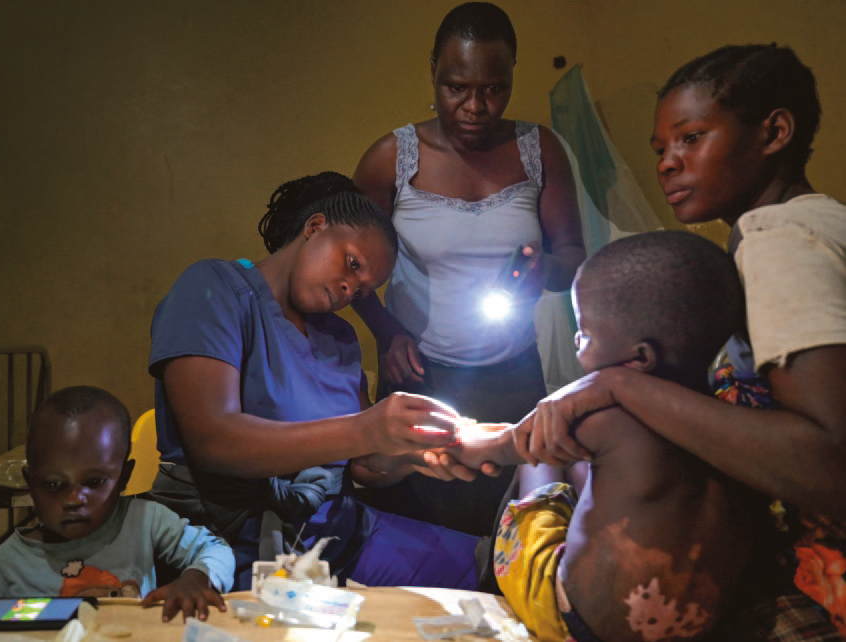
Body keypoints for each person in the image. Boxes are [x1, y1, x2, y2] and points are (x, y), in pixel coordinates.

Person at [520, 44, 846, 640]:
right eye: (661, 149)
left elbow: (828, 461)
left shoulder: (777, 239)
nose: (668, 163)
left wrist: (615, 383)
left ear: (774, 132)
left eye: (692, 138)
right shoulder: (820, 222)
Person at [146, 171, 483, 591]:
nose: (349, 290)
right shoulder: (216, 289)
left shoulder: (339, 338)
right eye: (352, 264)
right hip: (230, 548)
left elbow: (360, 465)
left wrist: (408, 456)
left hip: (340, 535)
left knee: (496, 568)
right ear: (315, 227)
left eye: (362, 291)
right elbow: (213, 440)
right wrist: (366, 428)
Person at [442, 231, 765, 641]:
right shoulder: (732, 420)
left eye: (586, 333)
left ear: (641, 358)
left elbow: (499, 449)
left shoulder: (607, 419)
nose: (578, 340)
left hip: (577, 625)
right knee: (580, 458)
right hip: (693, 626)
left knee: (539, 449)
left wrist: (463, 439)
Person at [351, 1, 585, 536]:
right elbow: (351, 270)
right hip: (420, 373)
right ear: (433, 71)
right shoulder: (392, 159)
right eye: (457, 87)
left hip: (514, 373)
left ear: (511, 78)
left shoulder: (539, 150)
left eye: (494, 88)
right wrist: (387, 334)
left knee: (514, 528)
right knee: (427, 529)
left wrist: (541, 269)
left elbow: (574, 259)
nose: (476, 106)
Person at [0, 386, 234, 624]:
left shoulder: (143, 521)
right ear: (31, 484)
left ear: (124, 477)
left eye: (94, 481)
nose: (74, 499)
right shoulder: (5, 567)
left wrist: (198, 578)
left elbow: (214, 549)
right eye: (54, 485)